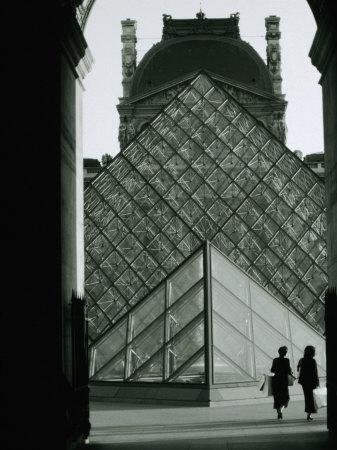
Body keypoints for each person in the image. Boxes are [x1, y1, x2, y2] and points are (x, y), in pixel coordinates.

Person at [297, 345, 319, 421]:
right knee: (311, 398)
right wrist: (317, 383)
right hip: (311, 382)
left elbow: (298, 368)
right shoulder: (313, 361)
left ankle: (308, 414)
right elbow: (315, 373)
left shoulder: (302, 360)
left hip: (304, 382)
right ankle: (309, 414)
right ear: (312, 352)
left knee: (307, 397)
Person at [271, 346, 293, 419]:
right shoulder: (287, 360)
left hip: (276, 380)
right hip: (283, 381)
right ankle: (280, 410)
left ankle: (279, 411)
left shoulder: (275, 360)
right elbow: (289, 371)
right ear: (285, 353)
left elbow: (272, 370)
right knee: (286, 398)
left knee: (277, 398)